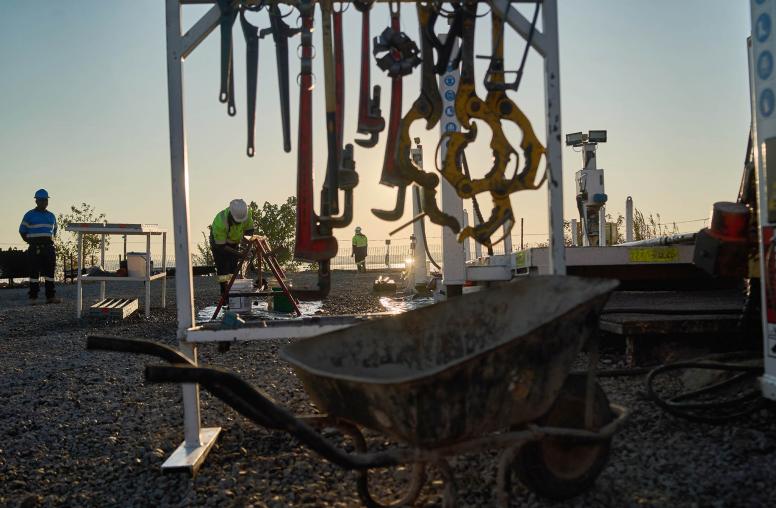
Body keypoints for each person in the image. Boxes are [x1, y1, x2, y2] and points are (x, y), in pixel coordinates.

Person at [19, 189, 61, 304]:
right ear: (36, 201)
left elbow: (54, 231)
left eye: (46, 200)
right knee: (34, 274)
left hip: (48, 248)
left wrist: (48, 241)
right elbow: (22, 231)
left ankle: (50, 297)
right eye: (41, 200)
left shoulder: (51, 216)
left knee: (50, 273)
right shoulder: (29, 215)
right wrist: (30, 242)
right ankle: (33, 298)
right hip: (34, 248)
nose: (44, 202)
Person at [210, 199, 255, 296]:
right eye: (237, 221)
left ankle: (234, 292)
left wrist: (246, 248)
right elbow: (221, 247)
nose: (239, 223)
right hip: (219, 243)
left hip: (234, 240)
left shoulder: (246, 214)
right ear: (231, 215)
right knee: (223, 269)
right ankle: (224, 293)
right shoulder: (220, 222)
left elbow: (249, 231)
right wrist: (240, 254)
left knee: (233, 267)